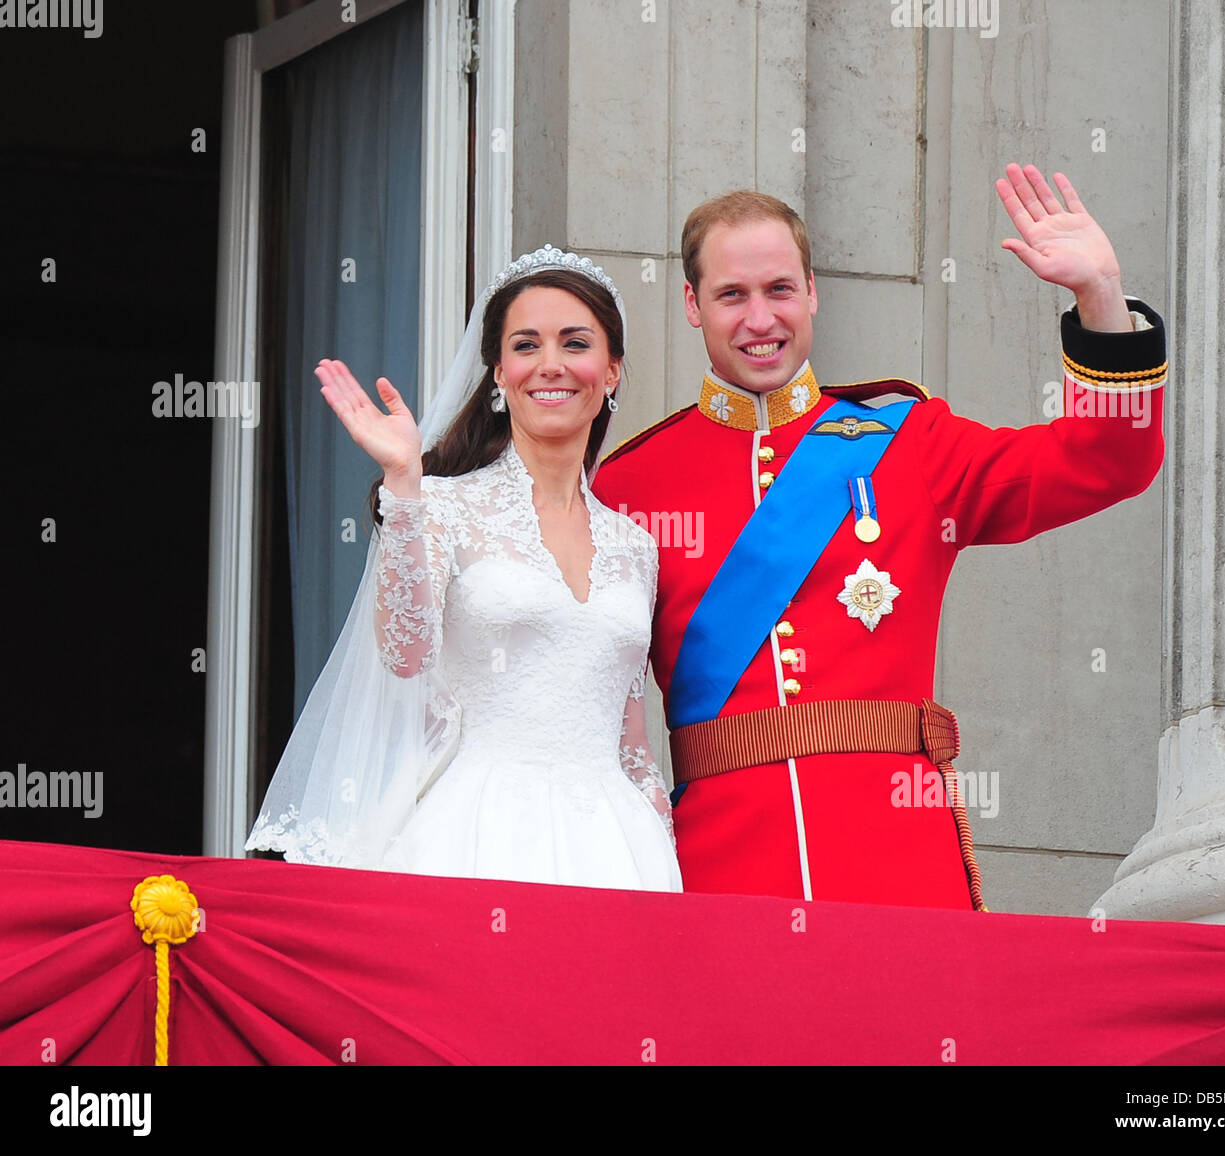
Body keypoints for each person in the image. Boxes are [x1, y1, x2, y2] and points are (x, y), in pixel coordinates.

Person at [591, 164, 1168, 910]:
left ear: (813, 294)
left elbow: (1106, 463)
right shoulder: (631, 485)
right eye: (732, 295)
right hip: (716, 872)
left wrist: (1098, 294)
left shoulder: (909, 443)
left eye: (779, 290)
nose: (760, 318)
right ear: (693, 305)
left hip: (897, 860)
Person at [246, 246, 681, 893]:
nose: (551, 365)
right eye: (526, 345)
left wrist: (660, 843)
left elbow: (630, 743)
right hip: (478, 831)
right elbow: (403, 651)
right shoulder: (441, 505)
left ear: (612, 371)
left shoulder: (637, 547)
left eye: (575, 343)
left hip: (617, 849)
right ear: (500, 375)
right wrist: (404, 484)